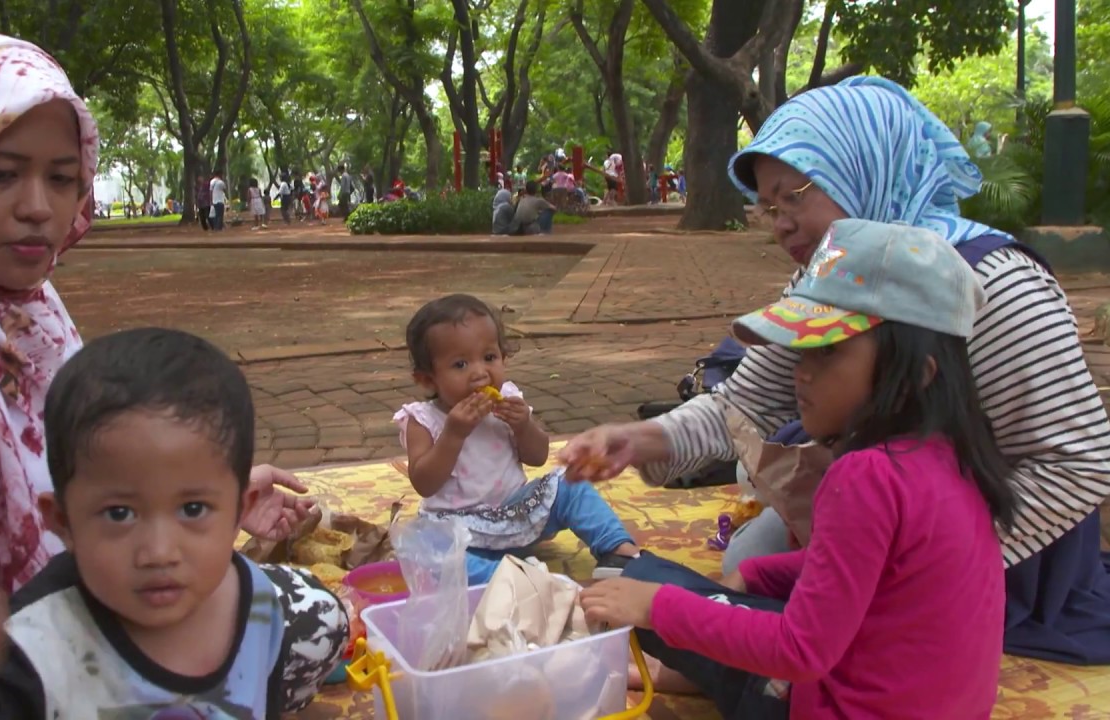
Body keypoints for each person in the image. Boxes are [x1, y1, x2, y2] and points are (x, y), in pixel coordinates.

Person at [0, 33, 318, 717]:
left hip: (88, 599)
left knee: (297, 613)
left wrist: (189, 498)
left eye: (61, 178)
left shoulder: (20, 299)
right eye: (1, 173)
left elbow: (73, 458)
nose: (39, 207)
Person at [561, 75, 1110, 666]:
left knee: (817, 624)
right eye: (769, 207)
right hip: (887, 513)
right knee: (749, 562)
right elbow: (741, 404)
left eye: (794, 196)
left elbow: (1077, 464)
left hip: (1001, 549)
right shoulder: (831, 276)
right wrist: (636, 440)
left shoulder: (996, 284)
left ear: (865, 166)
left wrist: (933, 564)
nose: (781, 223)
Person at [578, 219, 1018, 719]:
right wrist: (758, 574)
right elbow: (859, 569)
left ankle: (690, 661)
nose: (802, 371)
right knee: (693, 595)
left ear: (917, 374)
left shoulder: (867, 476)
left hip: (833, 704)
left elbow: (801, 650)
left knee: (634, 581)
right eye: (802, 350)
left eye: (828, 351)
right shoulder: (951, 456)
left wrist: (653, 607)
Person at [0, 327, 349, 718]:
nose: (159, 550)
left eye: (194, 509)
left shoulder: (259, 604)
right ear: (63, 522)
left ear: (239, 509)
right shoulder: (30, 653)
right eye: (119, 513)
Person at [395, 295, 640, 584]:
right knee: (423, 551)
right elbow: (424, 483)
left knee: (569, 482)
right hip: (458, 528)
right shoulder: (422, 420)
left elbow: (537, 457)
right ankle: (514, 579)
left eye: (489, 358)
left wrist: (523, 426)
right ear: (427, 379)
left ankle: (619, 550)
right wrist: (453, 435)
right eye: (460, 364)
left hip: (517, 513)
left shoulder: (509, 399)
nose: (480, 373)